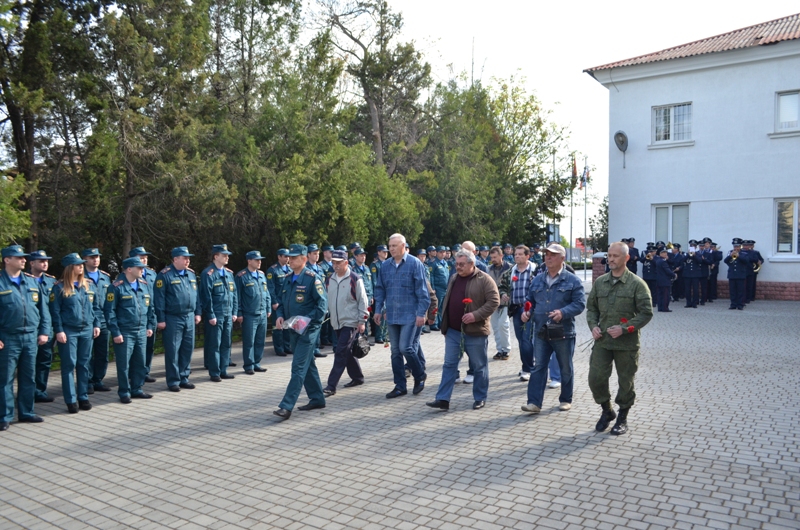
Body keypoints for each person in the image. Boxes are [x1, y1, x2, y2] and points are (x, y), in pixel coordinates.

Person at [586, 241, 653, 435]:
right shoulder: (600, 282)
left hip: (627, 344)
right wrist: (594, 327)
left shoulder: (637, 284)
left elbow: (646, 313)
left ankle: (623, 417)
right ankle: (607, 411)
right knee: (595, 379)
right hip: (603, 342)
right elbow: (592, 309)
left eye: (615, 256)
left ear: (626, 258)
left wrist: (625, 329)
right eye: (609, 255)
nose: (611, 259)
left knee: (626, 381)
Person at [426, 249, 499, 411]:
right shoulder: (453, 278)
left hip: (475, 332)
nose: (458, 267)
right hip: (453, 331)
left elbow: (494, 301)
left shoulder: (484, 279)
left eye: (461, 264)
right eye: (456, 264)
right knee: (449, 365)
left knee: (479, 366)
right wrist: (444, 325)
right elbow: (447, 301)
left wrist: (476, 315)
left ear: (472, 264)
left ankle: (480, 397)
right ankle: (442, 399)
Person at [520, 243, 585, 414]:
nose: (548, 257)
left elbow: (579, 304)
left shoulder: (572, 280)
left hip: (563, 331)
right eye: (546, 254)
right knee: (539, 366)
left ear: (562, 258)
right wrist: (527, 313)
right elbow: (530, 301)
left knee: (565, 367)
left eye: (553, 255)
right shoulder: (537, 279)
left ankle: (565, 399)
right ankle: (534, 403)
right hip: (541, 331)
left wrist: (563, 312)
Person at [273, 244, 328, 420]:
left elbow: (322, 307)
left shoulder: (313, 279)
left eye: (295, 258)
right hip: (293, 329)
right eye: (290, 257)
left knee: (298, 366)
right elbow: (282, 302)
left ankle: (286, 406)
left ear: (304, 259)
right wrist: (280, 316)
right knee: (307, 364)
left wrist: (306, 320)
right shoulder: (288, 278)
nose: (290, 260)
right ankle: (317, 398)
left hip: (308, 330)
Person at [0, 245, 51, 431]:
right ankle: (4, 416)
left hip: (30, 336)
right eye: (18, 257)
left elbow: (43, 310)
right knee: (5, 379)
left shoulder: (31, 282)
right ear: (7, 260)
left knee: (28, 376)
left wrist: (44, 331)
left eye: (24, 257)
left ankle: (26, 412)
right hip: (8, 337)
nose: (23, 260)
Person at [373, 233, 429, 399]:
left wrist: (421, 314)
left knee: (406, 347)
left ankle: (419, 375)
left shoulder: (414, 263)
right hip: (392, 314)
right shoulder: (385, 266)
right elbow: (380, 289)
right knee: (395, 352)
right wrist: (377, 310)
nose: (391, 249)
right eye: (389, 246)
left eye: (394, 246)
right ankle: (400, 386)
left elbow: (422, 291)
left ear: (403, 246)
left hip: (410, 314)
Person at [50, 253, 101, 413]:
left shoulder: (89, 285)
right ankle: (70, 400)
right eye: (78, 264)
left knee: (84, 364)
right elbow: (55, 312)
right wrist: (59, 330)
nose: (81, 267)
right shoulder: (58, 287)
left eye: (82, 264)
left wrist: (96, 324)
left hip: (86, 329)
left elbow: (97, 308)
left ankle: (83, 396)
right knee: (69, 365)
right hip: (69, 330)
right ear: (70, 267)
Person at [104, 257, 156, 403]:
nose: (142, 270)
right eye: (139, 267)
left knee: (140, 362)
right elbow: (110, 312)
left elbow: (150, 308)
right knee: (124, 364)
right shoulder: (116, 287)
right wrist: (115, 332)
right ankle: (124, 392)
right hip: (125, 331)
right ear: (129, 269)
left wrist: (150, 326)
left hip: (141, 330)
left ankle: (137, 389)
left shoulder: (144, 285)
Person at [153, 247, 202, 392]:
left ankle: (184, 377)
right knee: (173, 350)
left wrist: (198, 312)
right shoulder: (165, 275)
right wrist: (161, 319)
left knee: (187, 348)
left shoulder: (191, 274)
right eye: (184, 258)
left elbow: (196, 296)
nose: (188, 260)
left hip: (189, 316)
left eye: (188, 258)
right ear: (175, 259)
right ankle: (173, 380)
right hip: (173, 317)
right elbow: (159, 299)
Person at [323, 250, 369, 396]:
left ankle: (331, 386)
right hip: (336, 321)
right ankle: (357, 377)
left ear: (346, 263)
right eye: (333, 262)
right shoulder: (330, 279)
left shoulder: (355, 279)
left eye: (338, 262)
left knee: (340, 352)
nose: (335, 265)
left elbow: (363, 301)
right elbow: (326, 299)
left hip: (351, 322)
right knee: (347, 351)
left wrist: (362, 321)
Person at [200, 244, 238, 382]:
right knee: (214, 344)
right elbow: (206, 296)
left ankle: (223, 370)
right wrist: (210, 314)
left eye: (227, 255)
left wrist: (234, 311)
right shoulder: (208, 273)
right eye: (224, 255)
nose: (227, 257)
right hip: (216, 314)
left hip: (228, 313)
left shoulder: (229, 273)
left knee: (226, 343)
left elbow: (234, 294)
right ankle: (214, 372)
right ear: (216, 256)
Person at [500, 245, 536, 382]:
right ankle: (527, 365)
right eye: (516, 254)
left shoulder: (535, 271)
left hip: (530, 309)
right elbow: (501, 286)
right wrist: (503, 294)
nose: (517, 256)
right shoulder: (511, 272)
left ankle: (528, 369)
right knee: (521, 340)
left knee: (527, 339)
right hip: (516, 309)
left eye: (520, 254)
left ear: (528, 256)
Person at [28, 250, 58, 403]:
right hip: (29, 328)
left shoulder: (52, 282)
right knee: (28, 363)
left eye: (46, 260)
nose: (45, 263)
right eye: (41, 261)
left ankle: (40, 391)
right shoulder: (25, 280)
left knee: (44, 361)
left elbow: (56, 306)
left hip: (48, 329)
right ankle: (27, 392)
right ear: (32, 263)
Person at [82, 248, 112, 394]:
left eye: (97, 257)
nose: (96, 260)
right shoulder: (80, 276)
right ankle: (87, 381)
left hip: (104, 321)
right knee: (87, 354)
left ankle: (98, 379)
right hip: (89, 321)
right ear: (85, 259)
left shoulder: (105, 277)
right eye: (92, 257)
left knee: (102, 353)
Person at [235, 251, 270, 374]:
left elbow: (266, 293)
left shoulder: (261, 275)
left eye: (260, 260)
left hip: (262, 313)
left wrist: (268, 308)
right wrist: (239, 312)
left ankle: (257, 363)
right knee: (249, 341)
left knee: (260, 341)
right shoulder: (241, 276)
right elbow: (237, 296)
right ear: (249, 261)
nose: (259, 262)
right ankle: (249, 365)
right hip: (249, 314)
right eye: (257, 260)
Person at [127, 247, 159, 382]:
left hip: (150, 314)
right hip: (135, 317)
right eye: (141, 257)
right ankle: (132, 373)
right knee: (136, 349)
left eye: (145, 256)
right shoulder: (128, 276)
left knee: (149, 346)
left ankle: (145, 371)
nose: (144, 259)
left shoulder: (152, 274)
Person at [487, 247, 511, 361]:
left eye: (495, 257)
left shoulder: (510, 268)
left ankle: (506, 350)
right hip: (492, 301)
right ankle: (500, 349)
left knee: (503, 325)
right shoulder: (488, 269)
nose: (493, 259)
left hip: (505, 301)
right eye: (491, 257)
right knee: (496, 327)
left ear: (501, 256)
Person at [266, 249, 290, 356]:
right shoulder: (273, 270)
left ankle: (287, 346)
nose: (287, 258)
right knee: (278, 327)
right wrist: (274, 301)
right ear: (279, 257)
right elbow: (270, 288)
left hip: (288, 302)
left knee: (287, 325)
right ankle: (279, 348)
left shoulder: (290, 269)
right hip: (278, 303)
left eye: (288, 256)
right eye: (285, 256)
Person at [370, 244, 389, 343]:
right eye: (383, 252)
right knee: (380, 313)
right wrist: (375, 293)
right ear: (378, 253)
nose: (386, 253)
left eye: (386, 252)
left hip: (388, 292)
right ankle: (378, 336)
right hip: (380, 292)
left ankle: (385, 335)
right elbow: (374, 281)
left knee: (387, 313)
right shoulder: (375, 265)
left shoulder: (389, 263)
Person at [725, 239, 749, 310]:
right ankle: (733, 304)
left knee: (740, 291)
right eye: (735, 247)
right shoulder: (730, 252)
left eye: (737, 246)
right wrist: (730, 256)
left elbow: (746, 261)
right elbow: (725, 261)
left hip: (740, 275)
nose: (736, 248)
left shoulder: (744, 253)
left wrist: (739, 256)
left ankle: (740, 304)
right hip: (732, 275)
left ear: (740, 246)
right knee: (732, 291)